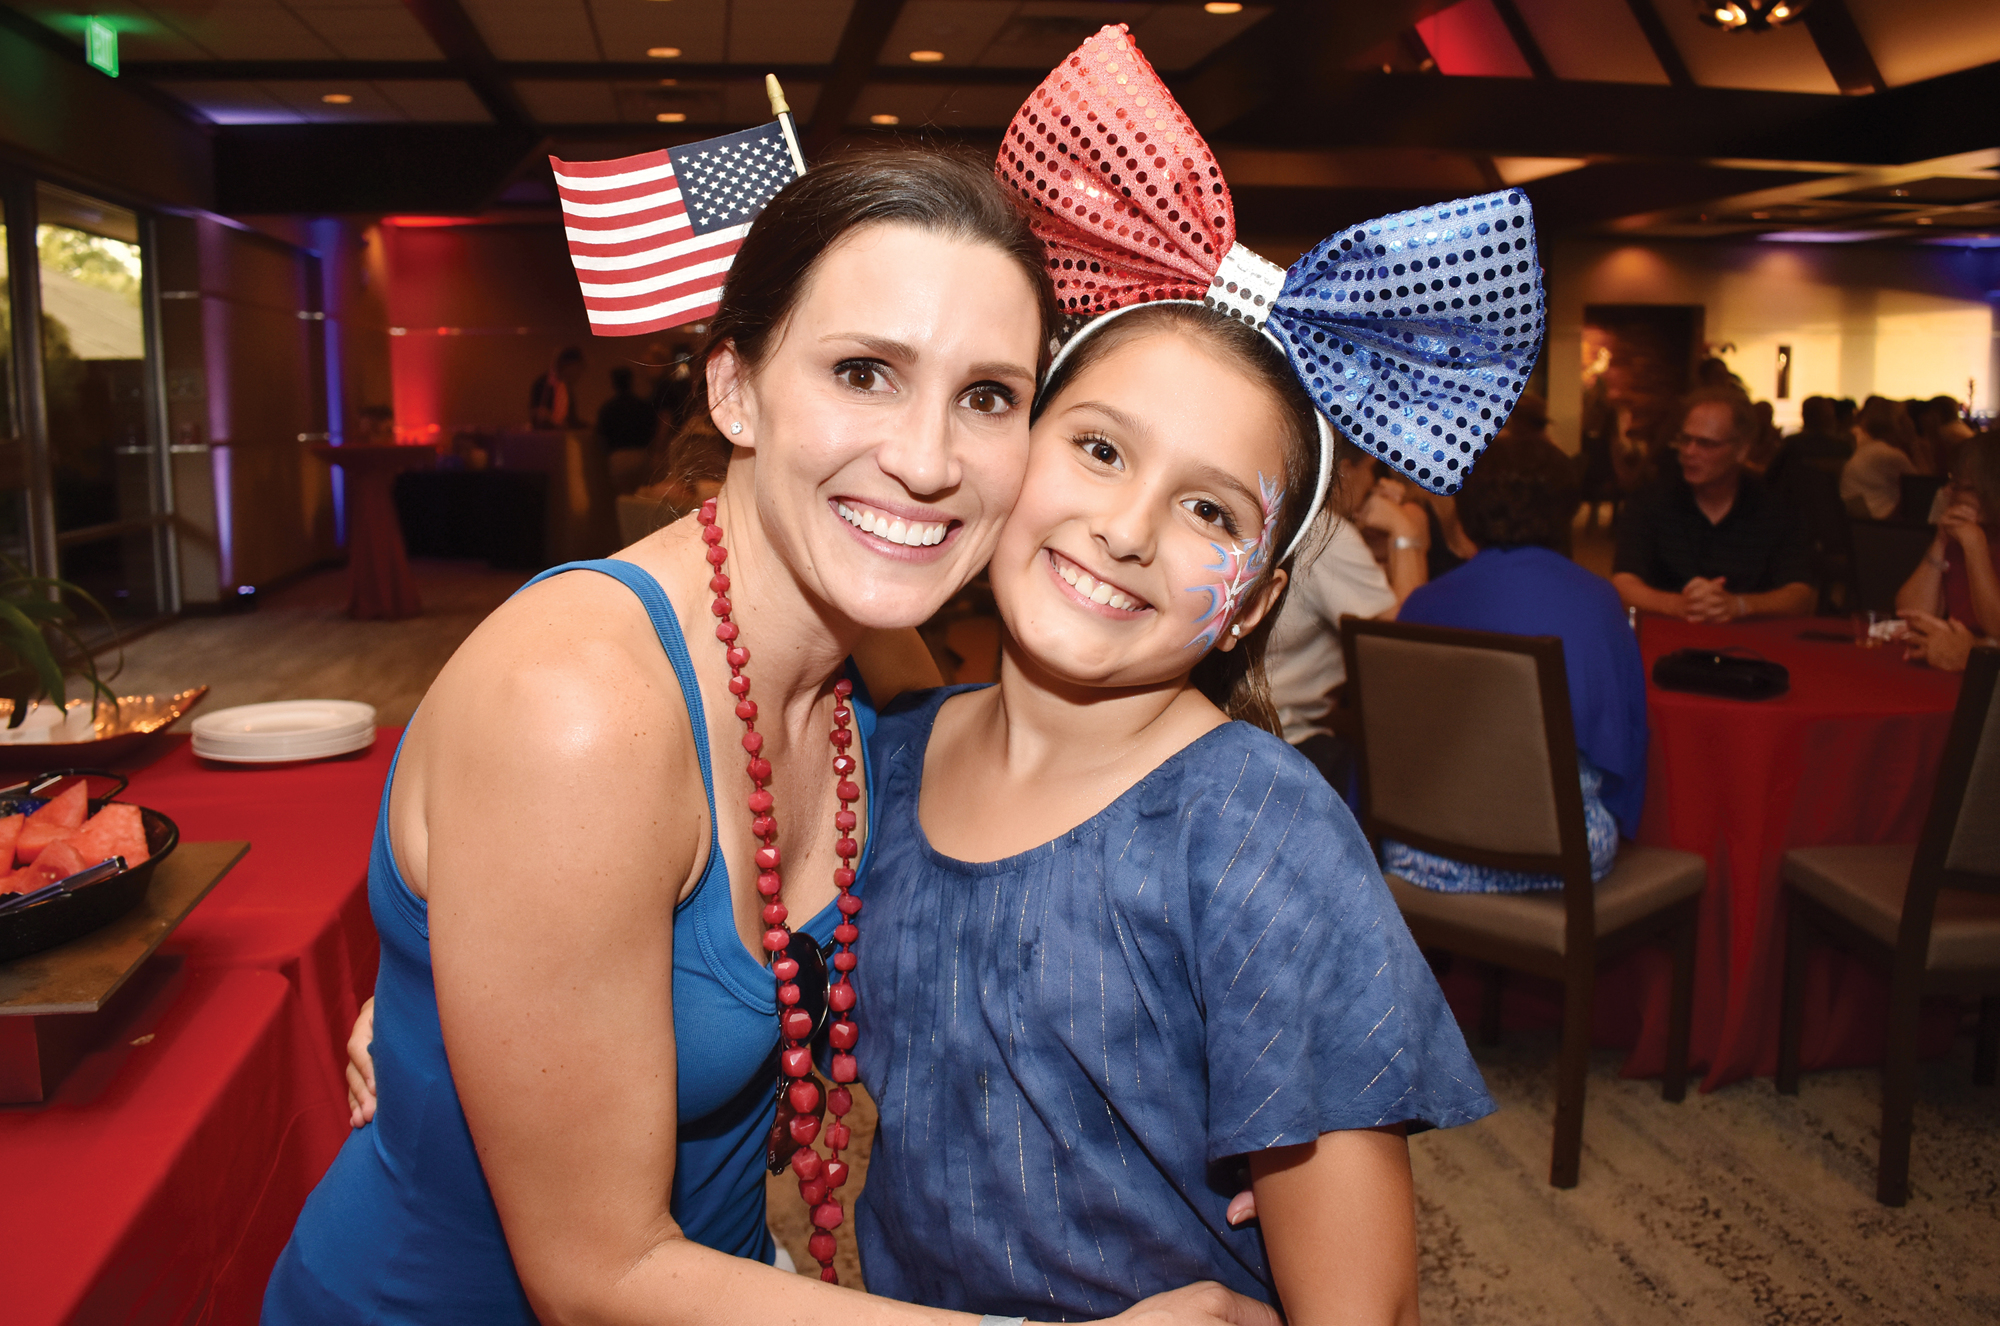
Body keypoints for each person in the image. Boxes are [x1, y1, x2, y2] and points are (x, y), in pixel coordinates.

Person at [268, 147, 1268, 1326]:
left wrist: (1225, 1098)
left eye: (987, 396)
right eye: (863, 372)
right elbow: (593, 1278)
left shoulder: (875, 676)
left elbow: (1025, 872)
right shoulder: (577, 709)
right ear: (733, 388)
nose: (927, 460)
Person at [1382, 432, 1648, 893]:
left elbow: (1398, 742)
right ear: (1566, 509)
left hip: (1422, 852)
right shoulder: (1596, 600)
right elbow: (1622, 741)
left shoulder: (1424, 603)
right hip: (1553, 855)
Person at [1263, 440, 1422, 793]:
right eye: (1373, 470)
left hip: (1247, 728)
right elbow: (1402, 652)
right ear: (1346, 471)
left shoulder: (1290, 517)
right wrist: (1406, 534)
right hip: (1288, 745)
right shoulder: (1329, 536)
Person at [1612, 385, 1815, 622]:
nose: (1689, 452)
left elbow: (1801, 595)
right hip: (1666, 636)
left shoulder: (1776, 510)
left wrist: (1738, 605)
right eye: (1685, 440)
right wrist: (1680, 605)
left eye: (1706, 444)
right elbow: (1623, 583)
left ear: (1741, 450)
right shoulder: (1650, 502)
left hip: (1751, 641)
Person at [1897, 431, 2000, 672]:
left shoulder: (1974, 537)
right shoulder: (1962, 535)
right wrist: (1941, 541)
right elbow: (1913, 613)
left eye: (1961, 486)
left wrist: (1976, 547)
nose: (1948, 492)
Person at [1840, 396, 1918, 519]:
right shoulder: (1890, 455)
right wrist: (1914, 442)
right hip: (1880, 525)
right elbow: (1922, 488)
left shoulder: (1867, 449)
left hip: (1859, 522)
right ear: (1898, 423)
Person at [596, 365, 661, 493]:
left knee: (623, 498)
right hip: (641, 455)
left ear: (613, 383)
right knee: (643, 498)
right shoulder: (643, 406)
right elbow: (653, 429)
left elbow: (601, 435)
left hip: (618, 457)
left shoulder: (608, 408)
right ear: (632, 381)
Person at [529, 346, 586, 429]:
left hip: (560, 436)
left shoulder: (566, 388)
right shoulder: (544, 385)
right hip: (547, 437)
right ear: (568, 365)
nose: (578, 374)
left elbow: (572, 420)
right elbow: (537, 414)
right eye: (577, 368)